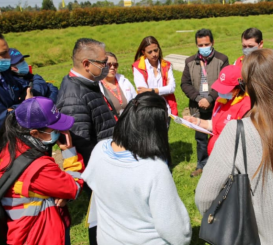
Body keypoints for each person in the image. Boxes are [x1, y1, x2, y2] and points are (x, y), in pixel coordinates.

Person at [195, 49, 273, 245]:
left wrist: (225, 224)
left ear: (250, 86)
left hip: (252, 238)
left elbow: (204, 197)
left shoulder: (236, 131)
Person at [82, 92, 192, 245]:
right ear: (156, 129)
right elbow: (175, 231)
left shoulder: (100, 150)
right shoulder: (154, 169)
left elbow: (90, 180)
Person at [0, 97, 84, 245]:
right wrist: (69, 153)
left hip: (19, 234)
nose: (61, 131)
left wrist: (56, 192)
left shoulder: (11, 147)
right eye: (55, 128)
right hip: (41, 236)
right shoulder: (38, 168)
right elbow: (74, 188)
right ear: (34, 133)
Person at [56, 38, 116, 245]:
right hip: (101, 174)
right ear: (86, 64)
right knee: (101, 224)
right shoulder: (73, 97)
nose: (107, 66)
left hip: (109, 167)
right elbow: (82, 145)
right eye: (102, 63)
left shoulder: (88, 85)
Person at [181, 28, 229, 177]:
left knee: (219, 134)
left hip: (216, 104)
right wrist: (198, 98)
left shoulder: (222, 59)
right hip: (196, 106)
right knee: (200, 137)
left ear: (213, 42)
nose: (203, 48)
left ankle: (220, 164)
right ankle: (201, 164)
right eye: (200, 45)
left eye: (206, 44)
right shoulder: (189, 61)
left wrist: (209, 99)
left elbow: (225, 82)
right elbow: (185, 83)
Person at [183, 65, 251, 155]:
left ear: (238, 89)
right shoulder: (220, 100)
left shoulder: (246, 107)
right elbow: (216, 125)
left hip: (230, 157)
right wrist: (198, 122)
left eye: (225, 89)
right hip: (215, 155)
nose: (221, 92)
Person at [132, 36, 177, 116]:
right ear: (143, 52)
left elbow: (171, 88)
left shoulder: (166, 65)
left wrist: (151, 90)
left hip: (166, 109)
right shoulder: (138, 67)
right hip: (148, 109)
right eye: (150, 52)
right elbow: (143, 92)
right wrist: (163, 91)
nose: (154, 54)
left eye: (156, 50)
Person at [0, 33, 32, 127]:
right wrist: (25, 106)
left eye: (7, 51)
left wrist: (12, 109)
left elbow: (28, 86)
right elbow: (3, 119)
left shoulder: (5, 73)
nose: (8, 57)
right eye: (3, 54)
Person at [99, 52, 136, 120]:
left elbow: (136, 100)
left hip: (130, 123)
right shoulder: (97, 86)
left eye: (115, 65)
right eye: (109, 65)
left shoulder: (125, 81)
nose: (112, 67)